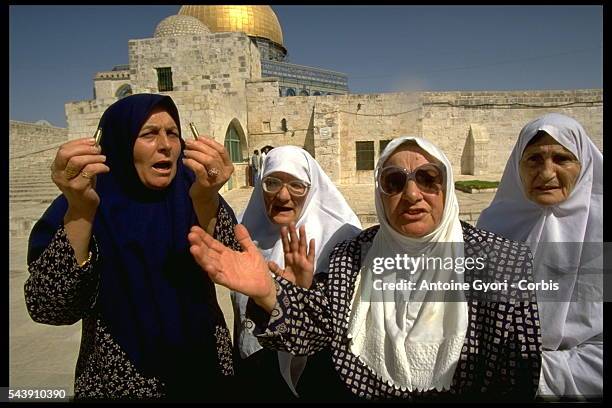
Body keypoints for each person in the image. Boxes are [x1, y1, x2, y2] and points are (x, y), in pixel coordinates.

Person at [188, 136, 542, 401]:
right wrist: (269, 292)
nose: (413, 194)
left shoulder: (502, 263)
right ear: (381, 192)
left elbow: (514, 378)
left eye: (428, 178)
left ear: (447, 187)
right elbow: (315, 330)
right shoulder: (352, 256)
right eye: (395, 182)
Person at [25, 93, 239, 401]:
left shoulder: (194, 193)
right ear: (119, 143)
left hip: (206, 366)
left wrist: (207, 200)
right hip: (118, 377)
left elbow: (234, 266)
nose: (165, 145)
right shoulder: (84, 202)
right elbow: (50, 307)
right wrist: (82, 213)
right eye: (149, 134)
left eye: (173, 133)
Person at [477, 113, 602, 400]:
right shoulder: (494, 225)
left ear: (583, 164)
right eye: (534, 159)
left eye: (561, 159)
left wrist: (533, 372)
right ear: (517, 166)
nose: (546, 173)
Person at [232, 145, 362, 400]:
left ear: (311, 188)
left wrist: (303, 294)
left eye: (296, 185)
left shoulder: (342, 237)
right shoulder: (245, 228)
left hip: (318, 374)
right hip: (257, 368)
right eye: (272, 182)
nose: (282, 195)